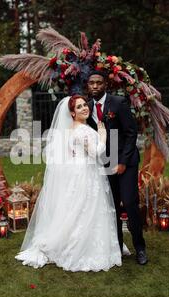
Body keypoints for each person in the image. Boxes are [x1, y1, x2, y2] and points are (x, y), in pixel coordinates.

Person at [15, 95, 122, 272]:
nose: (84, 108)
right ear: (72, 113)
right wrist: (102, 137)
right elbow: (95, 153)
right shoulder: (82, 131)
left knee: (78, 210)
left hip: (79, 171)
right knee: (86, 209)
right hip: (86, 173)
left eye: (84, 105)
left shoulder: (73, 129)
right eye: (79, 107)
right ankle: (82, 248)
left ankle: (79, 241)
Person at [86, 70, 148, 265]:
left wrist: (122, 161)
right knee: (111, 207)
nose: (95, 86)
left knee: (129, 204)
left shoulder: (118, 103)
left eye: (98, 83)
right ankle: (118, 248)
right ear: (88, 86)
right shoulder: (87, 108)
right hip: (105, 163)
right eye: (91, 83)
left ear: (105, 85)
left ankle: (140, 248)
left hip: (125, 162)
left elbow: (131, 133)